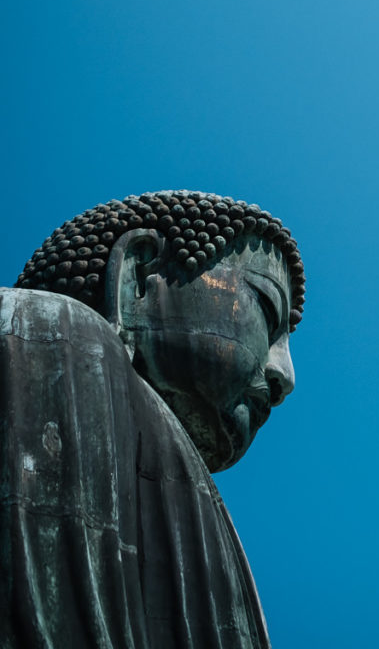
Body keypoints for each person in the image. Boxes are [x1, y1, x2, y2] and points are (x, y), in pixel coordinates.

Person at [0, 190, 305, 648]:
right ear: (139, 278)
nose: (286, 376)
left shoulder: (205, 512)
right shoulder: (53, 333)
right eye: (265, 306)